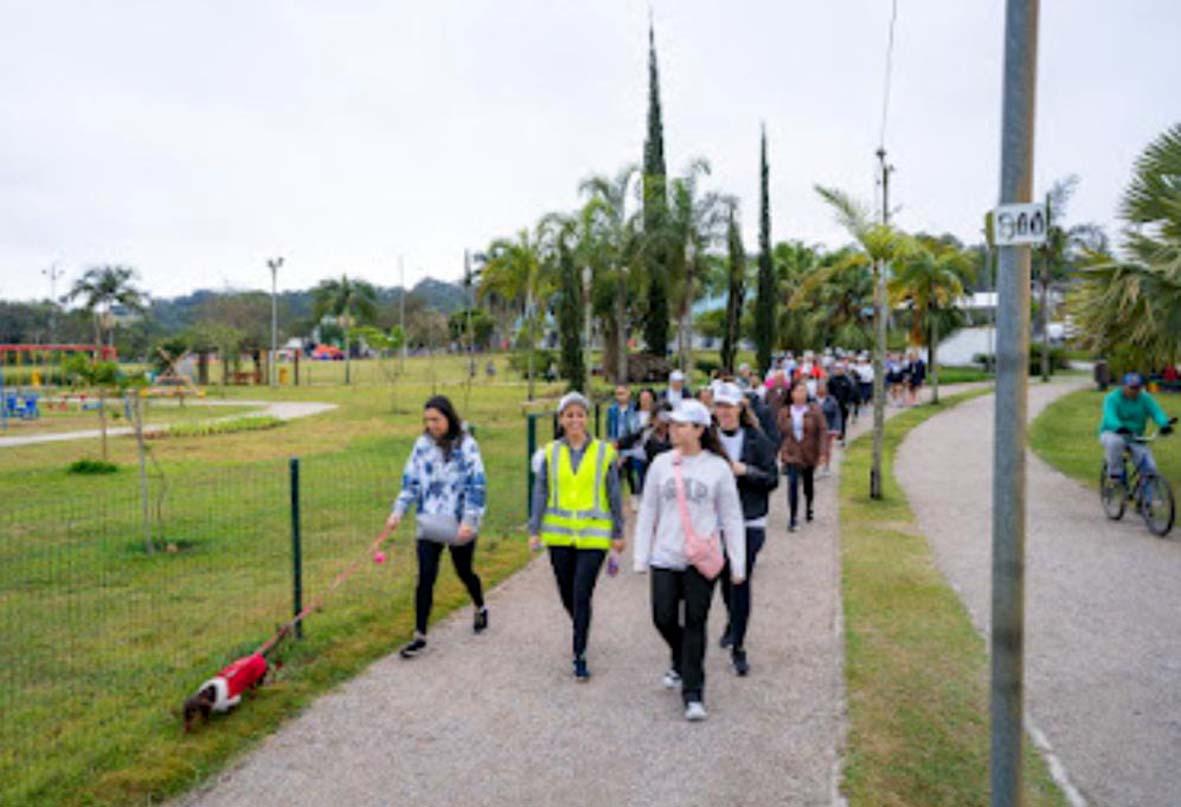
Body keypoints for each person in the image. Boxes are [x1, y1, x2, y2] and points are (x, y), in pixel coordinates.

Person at [633, 400, 746, 721]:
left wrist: (737, 564)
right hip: (665, 556)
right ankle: (681, 658)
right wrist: (641, 556)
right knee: (663, 617)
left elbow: (732, 517)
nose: (673, 429)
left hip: (701, 560)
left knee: (696, 622)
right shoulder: (661, 464)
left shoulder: (717, 468)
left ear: (699, 430)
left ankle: (693, 693)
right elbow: (648, 510)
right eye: (672, 424)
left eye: (681, 425)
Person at [529, 392, 625, 680]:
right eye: (569, 415)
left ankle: (579, 654)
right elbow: (541, 491)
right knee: (566, 594)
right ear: (561, 420)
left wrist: (618, 531)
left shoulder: (603, 453)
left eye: (579, 414)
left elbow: (614, 494)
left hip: (594, 536)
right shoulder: (549, 453)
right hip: (559, 536)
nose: (574, 420)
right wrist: (534, 529)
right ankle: (580, 626)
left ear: (587, 418)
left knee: (582, 593)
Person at [387, 396, 488, 659]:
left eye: (436, 419)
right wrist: (398, 511)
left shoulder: (467, 445)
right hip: (429, 522)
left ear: (449, 418)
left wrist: (469, 520)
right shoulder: (421, 445)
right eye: (427, 420)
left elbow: (477, 485)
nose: (432, 425)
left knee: (464, 571)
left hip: (459, 523)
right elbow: (410, 482)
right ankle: (419, 634)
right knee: (426, 577)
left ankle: (479, 605)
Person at [712, 383, 778, 677]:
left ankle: (739, 646)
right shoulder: (708, 440)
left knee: (741, 579)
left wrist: (745, 471)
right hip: (714, 522)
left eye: (729, 406)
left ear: (740, 407)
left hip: (749, 520)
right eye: (719, 406)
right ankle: (731, 620)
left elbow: (772, 479)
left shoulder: (757, 439)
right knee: (725, 580)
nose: (724, 412)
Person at [1099, 373, 1173, 481]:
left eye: (1138, 387)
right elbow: (1110, 416)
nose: (1135, 390)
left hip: (1135, 436)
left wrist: (1164, 424)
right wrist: (1118, 427)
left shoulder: (1145, 398)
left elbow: (1156, 412)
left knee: (1150, 468)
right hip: (1112, 432)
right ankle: (1115, 474)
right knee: (1115, 442)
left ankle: (1148, 497)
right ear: (1123, 386)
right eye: (1132, 387)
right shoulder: (1111, 398)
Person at [777, 381, 826, 531]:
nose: (800, 394)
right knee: (792, 484)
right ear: (791, 394)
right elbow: (779, 432)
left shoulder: (814, 411)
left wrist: (823, 452)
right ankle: (793, 517)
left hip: (809, 451)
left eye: (803, 391)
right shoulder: (784, 412)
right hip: (791, 452)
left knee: (808, 484)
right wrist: (778, 450)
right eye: (797, 391)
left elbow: (822, 431)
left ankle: (809, 506)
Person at [606, 385, 643, 498]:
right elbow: (610, 428)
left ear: (629, 393)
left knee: (631, 473)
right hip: (616, 444)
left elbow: (636, 429)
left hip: (631, 445)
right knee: (615, 474)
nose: (620, 396)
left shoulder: (635, 408)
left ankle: (635, 496)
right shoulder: (612, 410)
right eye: (617, 394)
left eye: (622, 393)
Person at [814, 381, 842, 477]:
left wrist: (836, 428)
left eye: (823, 388)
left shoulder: (832, 401)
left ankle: (826, 467)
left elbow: (837, 415)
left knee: (826, 448)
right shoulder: (812, 400)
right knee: (815, 448)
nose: (821, 390)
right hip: (815, 429)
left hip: (828, 428)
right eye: (819, 388)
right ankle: (816, 468)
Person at [827, 363, 856, 444]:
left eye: (840, 369)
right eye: (837, 369)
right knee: (832, 421)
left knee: (843, 421)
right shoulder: (832, 379)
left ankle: (842, 437)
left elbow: (851, 392)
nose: (838, 370)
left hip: (844, 404)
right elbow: (828, 391)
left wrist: (848, 402)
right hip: (833, 404)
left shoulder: (847, 380)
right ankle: (832, 437)